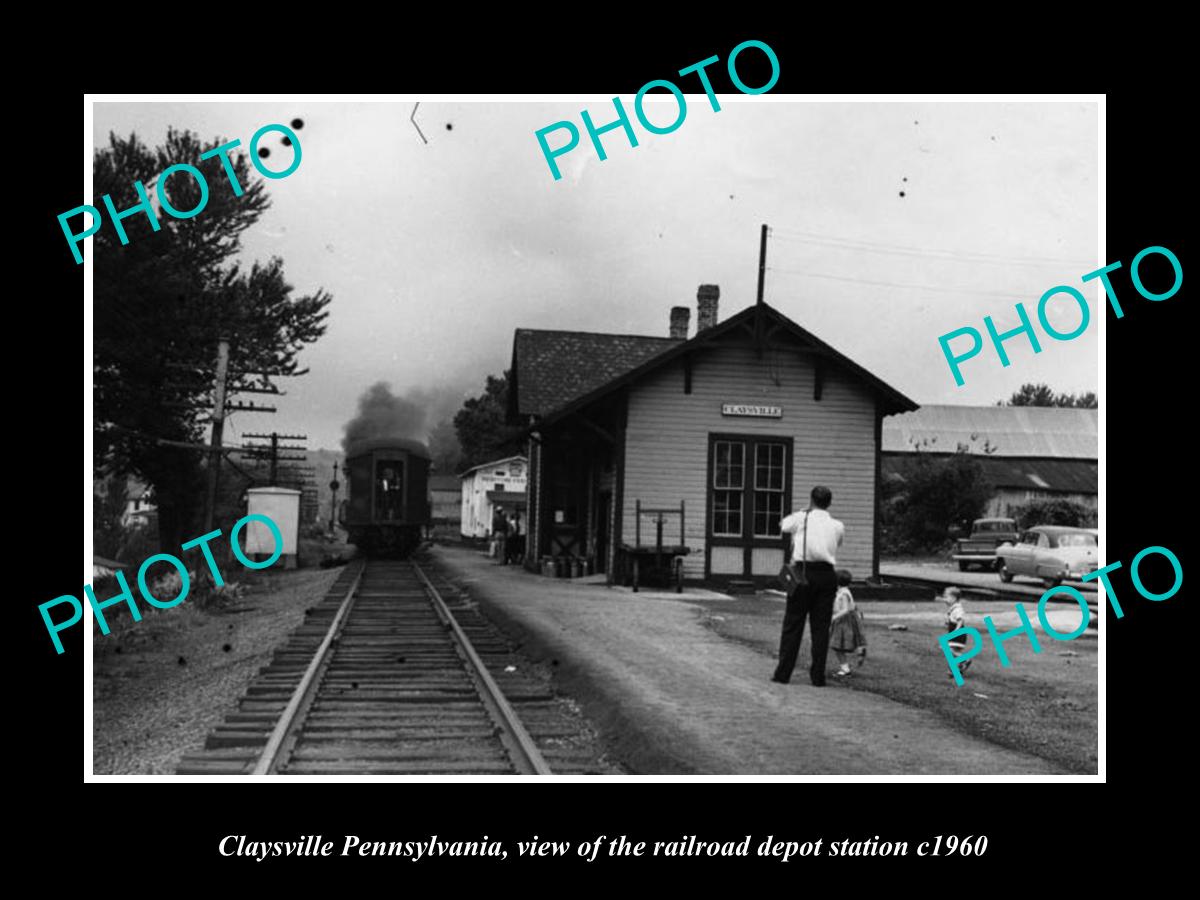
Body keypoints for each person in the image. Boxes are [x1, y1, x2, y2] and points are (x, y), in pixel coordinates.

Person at [772, 485, 845, 687]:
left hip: (803, 573)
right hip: (827, 575)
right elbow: (837, 544)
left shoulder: (801, 518)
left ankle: (783, 673)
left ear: (811, 500)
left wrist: (805, 510)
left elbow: (783, 525)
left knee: (793, 625)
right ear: (829, 503)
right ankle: (818, 677)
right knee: (820, 628)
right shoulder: (837, 525)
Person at [829, 569, 867, 677]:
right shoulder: (843, 592)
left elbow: (845, 609)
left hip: (843, 621)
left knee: (838, 645)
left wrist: (834, 617)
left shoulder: (844, 593)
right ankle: (859, 651)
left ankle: (845, 668)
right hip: (846, 620)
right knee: (842, 643)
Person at [941, 586, 972, 678]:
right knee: (954, 651)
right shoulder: (953, 609)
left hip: (958, 633)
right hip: (956, 632)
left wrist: (956, 631)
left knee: (950, 650)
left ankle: (964, 660)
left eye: (946, 597)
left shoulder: (958, 609)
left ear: (954, 598)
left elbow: (960, 620)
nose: (944, 600)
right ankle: (955, 669)